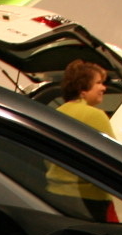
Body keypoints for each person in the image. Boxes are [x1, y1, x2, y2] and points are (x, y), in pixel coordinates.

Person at [46, 59, 116, 222]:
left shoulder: (58, 112)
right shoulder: (95, 115)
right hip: (88, 197)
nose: (103, 88)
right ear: (82, 88)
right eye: (98, 83)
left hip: (56, 192)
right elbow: (113, 157)